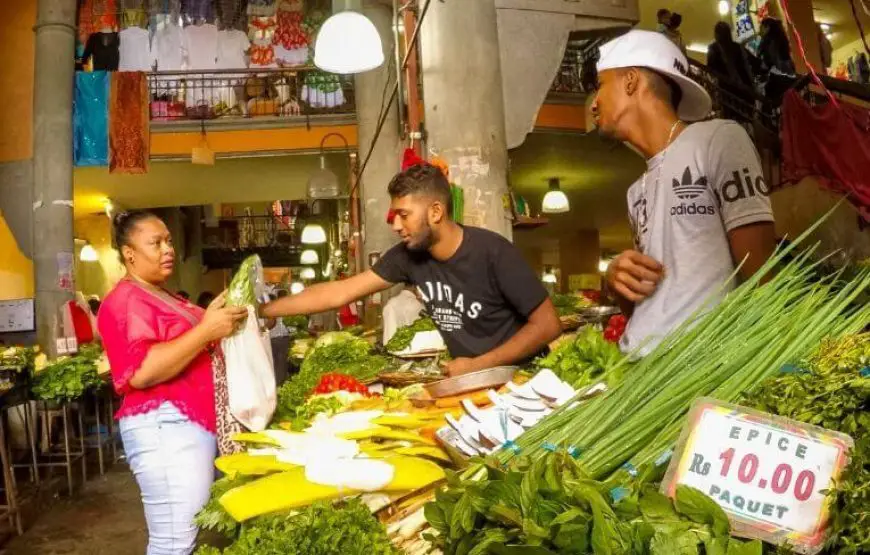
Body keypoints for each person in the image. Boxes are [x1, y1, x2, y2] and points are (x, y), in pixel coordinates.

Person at [262, 164, 562, 376]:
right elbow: (338, 293)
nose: (395, 225)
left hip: (524, 380)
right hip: (472, 379)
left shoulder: (493, 252)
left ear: (435, 211)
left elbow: (548, 325)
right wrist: (264, 311)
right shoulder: (407, 257)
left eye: (404, 215)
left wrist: (479, 364)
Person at [590, 30, 776, 357]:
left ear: (630, 80)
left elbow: (762, 277)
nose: (594, 102)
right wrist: (619, 282)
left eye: (600, 85)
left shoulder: (719, 139)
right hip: (635, 367)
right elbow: (654, 308)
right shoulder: (636, 192)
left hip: (696, 371)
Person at [97, 211, 247, 555]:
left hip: (186, 425)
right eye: (156, 243)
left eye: (168, 240)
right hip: (165, 428)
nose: (168, 249)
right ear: (129, 253)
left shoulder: (162, 294)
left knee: (184, 538)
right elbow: (142, 371)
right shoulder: (123, 302)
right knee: (173, 543)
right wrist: (206, 330)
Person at [707, 22, 755, 120]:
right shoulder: (738, 47)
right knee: (746, 117)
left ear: (716, 34)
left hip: (727, 90)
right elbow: (753, 62)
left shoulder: (714, 49)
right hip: (744, 87)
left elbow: (710, 69)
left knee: (732, 118)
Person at [757, 18, 796, 106]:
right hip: (789, 79)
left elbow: (765, 65)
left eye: (761, 28)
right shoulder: (782, 40)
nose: (759, 32)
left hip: (776, 80)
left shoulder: (767, 41)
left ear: (767, 28)